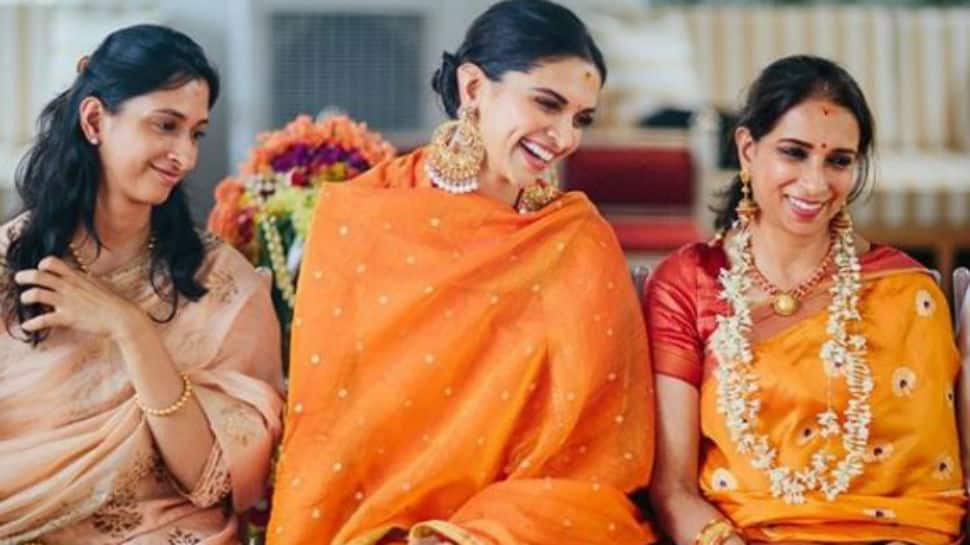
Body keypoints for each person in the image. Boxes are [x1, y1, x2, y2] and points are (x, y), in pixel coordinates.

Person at [267, 1, 655, 544]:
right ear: (473, 89)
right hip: (372, 524)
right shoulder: (357, 217)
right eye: (548, 103)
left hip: (521, 526)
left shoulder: (575, 239)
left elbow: (594, 455)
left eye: (581, 118)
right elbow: (329, 436)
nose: (565, 136)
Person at [645, 54, 966, 545]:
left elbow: (936, 485)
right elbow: (672, 488)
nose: (816, 184)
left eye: (838, 160)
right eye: (794, 153)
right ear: (748, 149)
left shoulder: (902, 290)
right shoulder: (689, 284)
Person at [0, 24, 284, 545]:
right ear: (94, 120)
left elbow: (207, 478)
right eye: (165, 125)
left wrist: (129, 328)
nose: (186, 155)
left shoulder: (220, 286)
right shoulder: (9, 265)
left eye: (195, 133)